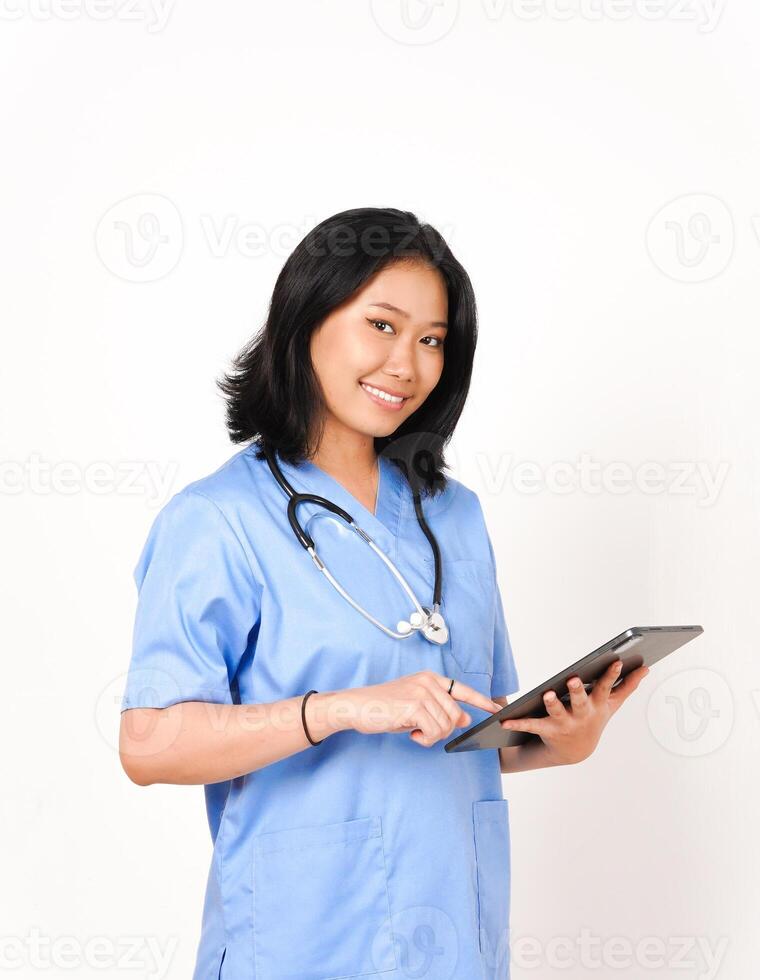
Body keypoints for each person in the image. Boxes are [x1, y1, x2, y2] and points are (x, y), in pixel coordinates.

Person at [119, 207, 649, 980]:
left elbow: (470, 732)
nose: (408, 363)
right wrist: (337, 707)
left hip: (454, 944)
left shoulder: (454, 517)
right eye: (382, 325)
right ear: (306, 320)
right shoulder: (219, 521)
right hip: (301, 942)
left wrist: (558, 742)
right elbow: (146, 745)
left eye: (432, 339)